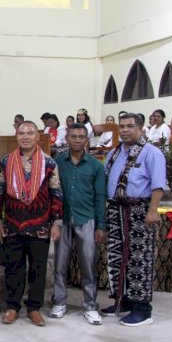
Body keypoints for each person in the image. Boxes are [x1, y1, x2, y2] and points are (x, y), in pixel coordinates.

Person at [0, 121, 62, 327]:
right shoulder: (6, 162)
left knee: (37, 269)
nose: (25, 136)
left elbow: (56, 193)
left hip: (40, 225)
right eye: (21, 133)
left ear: (38, 137)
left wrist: (57, 221)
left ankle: (34, 308)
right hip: (12, 224)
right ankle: (12, 306)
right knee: (13, 268)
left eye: (30, 133)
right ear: (16, 136)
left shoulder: (49, 163)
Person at [102, 113, 165, 326]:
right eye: (122, 126)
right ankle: (124, 301)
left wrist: (152, 210)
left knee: (139, 259)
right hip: (116, 211)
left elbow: (157, 185)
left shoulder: (151, 153)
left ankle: (143, 309)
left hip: (139, 211)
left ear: (141, 129)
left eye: (130, 126)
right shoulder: (114, 153)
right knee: (118, 258)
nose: (126, 130)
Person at [51, 123, 107, 325]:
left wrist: (101, 225)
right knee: (60, 264)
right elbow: (53, 192)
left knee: (88, 264)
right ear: (67, 139)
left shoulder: (95, 166)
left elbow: (100, 196)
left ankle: (90, 305)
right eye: (73, 136)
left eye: (81, 137)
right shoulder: (58, 163)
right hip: (63, 219)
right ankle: (59, 301)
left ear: (87, 140)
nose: (77, 140)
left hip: (87, 218)